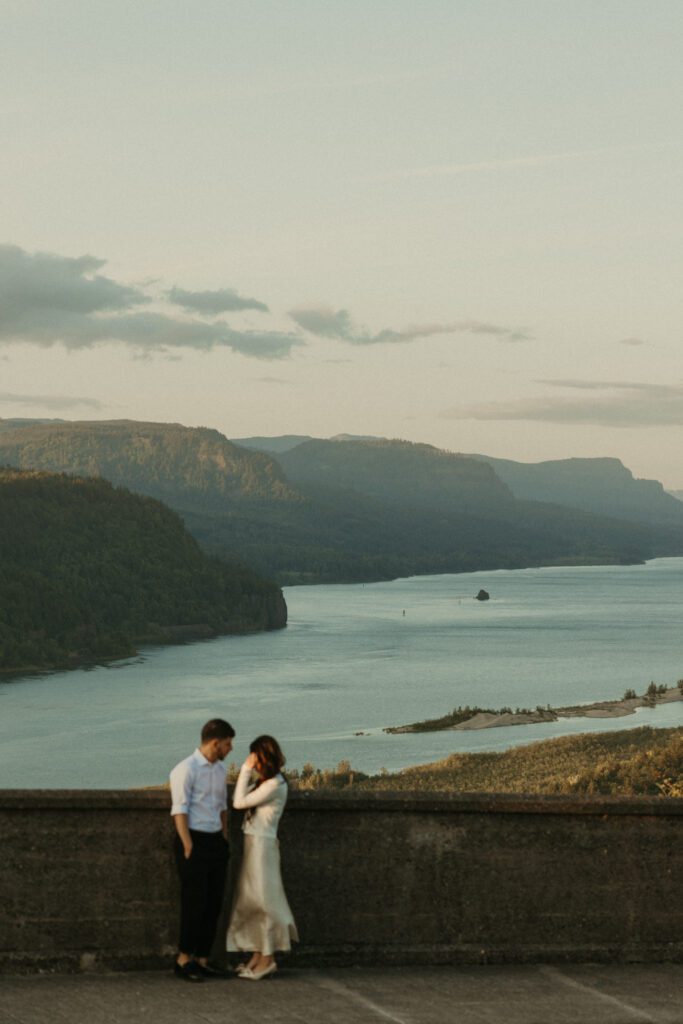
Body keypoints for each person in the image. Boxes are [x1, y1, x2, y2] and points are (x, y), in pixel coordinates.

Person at [227, 735, 298, 980]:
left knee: (264, 901)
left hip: (262, 847)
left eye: (255, 758)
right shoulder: (266, 783)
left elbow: (238, 802)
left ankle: (268, 959)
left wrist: (245, 770)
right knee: (251, 900)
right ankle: (257, 955)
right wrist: (250, 774)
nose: (252, 762)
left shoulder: (274, 785)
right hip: (254, 844)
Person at [169, 718, 235, 981]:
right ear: (215, 742)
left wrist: (224, 838)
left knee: (213, 903)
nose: (230, 749)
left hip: (215, 840)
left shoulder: (219, 770)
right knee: (194, 903)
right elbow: (179, 810)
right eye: (228, 744)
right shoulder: (185, 769)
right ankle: (183, 959)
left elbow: (222, 808)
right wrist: (187, 845)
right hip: (194, 840)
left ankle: (202, 958)